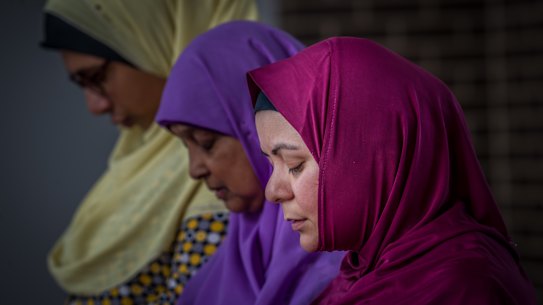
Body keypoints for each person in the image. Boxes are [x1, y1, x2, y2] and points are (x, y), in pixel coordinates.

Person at [250, 37, 537, 304]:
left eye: (294, 165)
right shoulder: (361, 269)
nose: (272, 192)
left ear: (371, 159)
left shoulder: (459, 286)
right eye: (270, 163)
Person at [41, 1, 257, 304]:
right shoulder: (136, 164)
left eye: (97, 77)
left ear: (154, 39)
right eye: (81, 85)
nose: (95, 106)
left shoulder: (226, 187)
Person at [155, 21, 343, 305]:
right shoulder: (229, 260)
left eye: (206, 142)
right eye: (186, 145)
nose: (195, 170)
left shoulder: (347, 269)